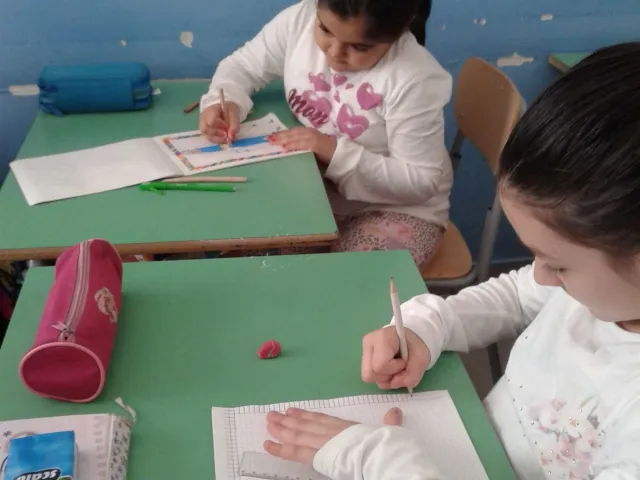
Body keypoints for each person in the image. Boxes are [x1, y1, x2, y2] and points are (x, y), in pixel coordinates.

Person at [261, 42, 640, 479]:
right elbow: (517, 295)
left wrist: (384, 463)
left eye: (558, 264)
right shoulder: (606, 292)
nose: (539, 274)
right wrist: (427, 327)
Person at [200, 0, 452, 269]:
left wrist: (332, 151)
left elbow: (421, 180)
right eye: (325, 30)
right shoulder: (301, 18)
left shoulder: (414, 78)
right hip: (314, 194)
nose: (334, 52)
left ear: (397, 33)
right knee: (250, 267)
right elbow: (243, 66)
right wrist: (225, 101)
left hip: (399, 210)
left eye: (360, 47)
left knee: (348, 283)